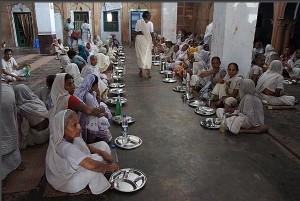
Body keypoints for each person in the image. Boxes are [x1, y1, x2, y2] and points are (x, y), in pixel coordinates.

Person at [45, 109, 119, 194]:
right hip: (68, 181)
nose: (79, 127)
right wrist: (110, 168)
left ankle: (97, 173)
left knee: (103, 145)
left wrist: (102, 152)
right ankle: (98, 185)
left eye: (78, 122)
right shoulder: (64, 147)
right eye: (74, 125)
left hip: (76, 165)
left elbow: (83, 144)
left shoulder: (69, 136)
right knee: (96, 164)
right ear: (63, 130)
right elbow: (93, 166)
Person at [75, 74, 112, 143]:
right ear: (94, 85)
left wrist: (98, 96)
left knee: (103, 107)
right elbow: (95, 112)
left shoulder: (92, 93)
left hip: (92, 113)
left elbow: (97, 105)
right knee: (104, 120)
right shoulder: (88, 96)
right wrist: (103, 113)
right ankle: (96, 139)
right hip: (87, 117)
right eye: (97, 84)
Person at [1, 80, 25, 182]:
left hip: (5, 94)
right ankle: (17, 163)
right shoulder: (8, 89)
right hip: (6, 92)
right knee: (10, 127)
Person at [14, 84, 50, 149]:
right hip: (49, 131)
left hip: (39, 138)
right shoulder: (37, 100)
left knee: (18, 119)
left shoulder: (21, 108)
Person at [133, 10, 156, 78]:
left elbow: (152, 34)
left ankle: (147, 72)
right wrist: (133, 42)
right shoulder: (139, 22)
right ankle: (142, 71)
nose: (150, 16)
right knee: (142, 56)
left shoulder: (150, 23)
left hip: (146, 40)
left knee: (146, 56)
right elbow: (136, 32)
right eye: (150, 15)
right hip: (141, 40)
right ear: (146, 16)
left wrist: (154, 42)